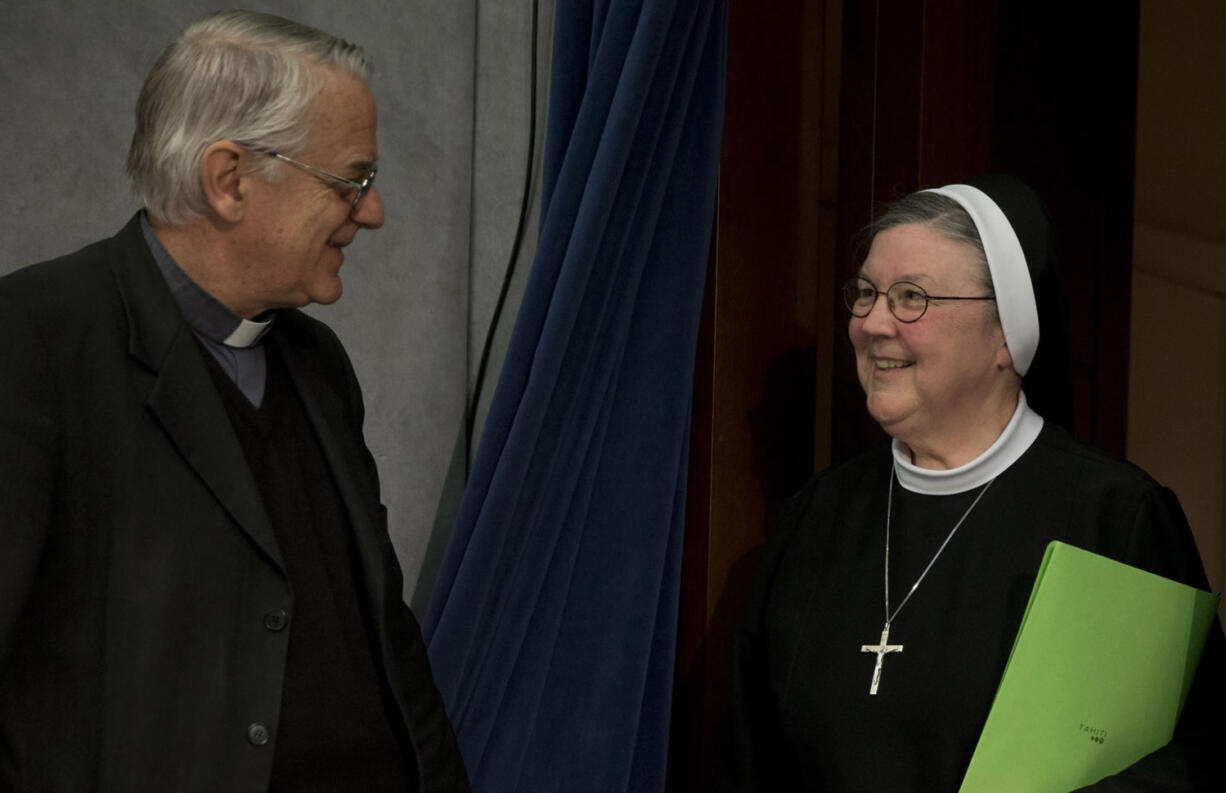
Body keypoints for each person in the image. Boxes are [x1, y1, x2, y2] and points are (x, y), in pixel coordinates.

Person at [0, 10, 469, 792]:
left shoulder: (319, 363)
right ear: (230, 180)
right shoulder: (34, 341)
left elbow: (389, 645)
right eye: (351, 179)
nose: (373, 210)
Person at [727, 174, 1223, 791]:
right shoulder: (818, 516)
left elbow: (1198, 756)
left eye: (911, 298)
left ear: (1004, 337)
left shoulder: (1114, 516)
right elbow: (750, 751)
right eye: (866, 293)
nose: (872, 324)